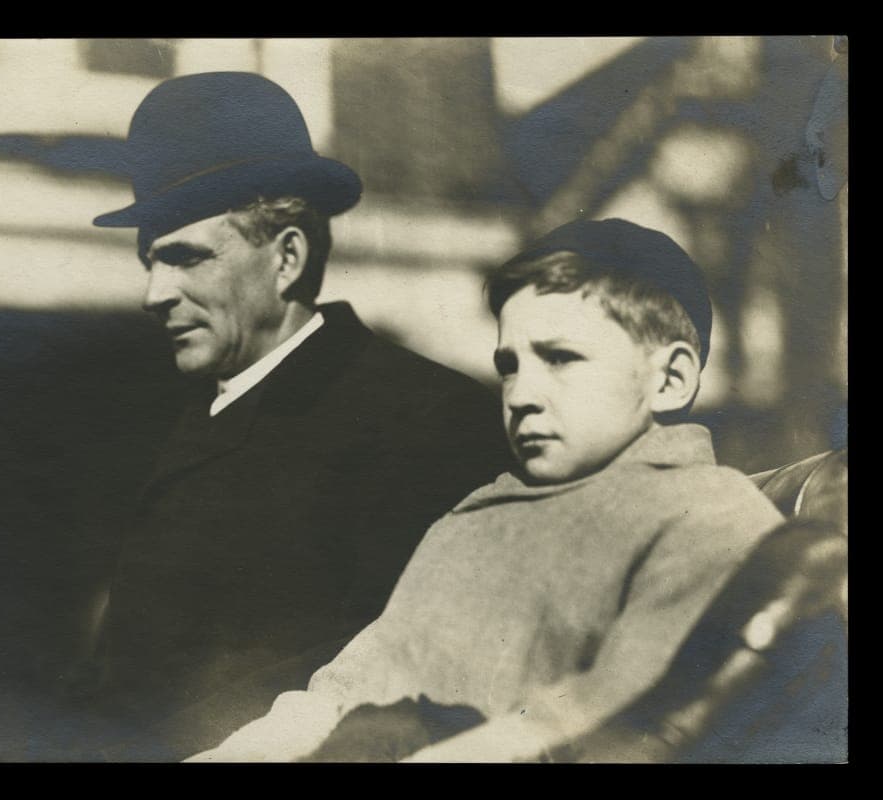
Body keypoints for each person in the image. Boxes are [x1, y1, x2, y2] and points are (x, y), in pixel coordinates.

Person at [187, 217, 788, 762]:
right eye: (509, 365)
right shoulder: (474, 518)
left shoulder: (707, 510)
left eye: (560, 358)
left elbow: (620, 710)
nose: (521, 394)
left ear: (671, 380)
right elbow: (348, 687)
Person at [80, 72, 512, 759]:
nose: (154, 293)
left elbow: (412, 693)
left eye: (185, 258)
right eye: (148, 263)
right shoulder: (186, 422)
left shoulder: (427, 422)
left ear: (286, 257)